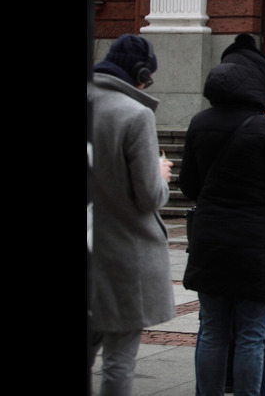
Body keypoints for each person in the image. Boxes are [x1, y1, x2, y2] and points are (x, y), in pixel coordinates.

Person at [180, 33, 265, 395]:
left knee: (212, 330)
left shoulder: (200, 123)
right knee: (251, 332)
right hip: (258, 243)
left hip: (210, 239)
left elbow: (189, 186)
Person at [89, 34, 176, 395]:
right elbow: (149, 197)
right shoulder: (134, 114)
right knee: (119, 361)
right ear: (140, 73)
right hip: (124, 258)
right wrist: (162, 176)